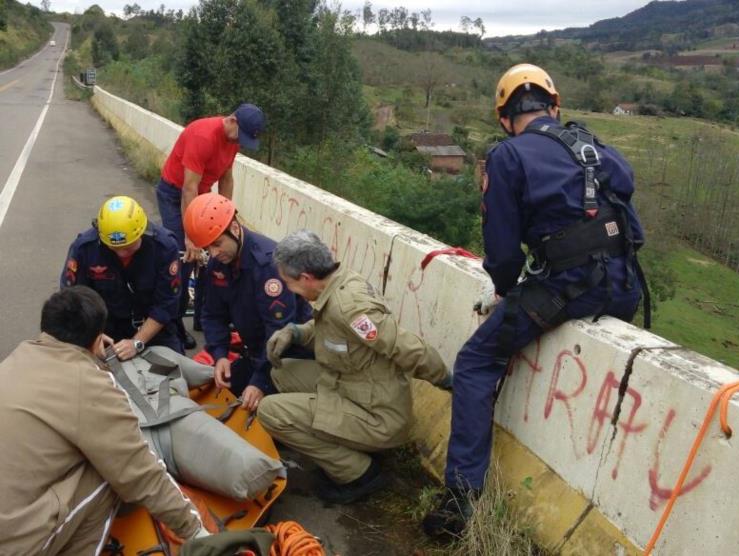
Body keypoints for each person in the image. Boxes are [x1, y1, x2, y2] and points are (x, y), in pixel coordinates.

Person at [422, 63, 648, 538]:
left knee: (476, 362)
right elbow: (625, 199)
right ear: (554, 105)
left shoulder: (508, 156)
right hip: (625, 283)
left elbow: (503, 252)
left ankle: (460, 500)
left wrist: (504, 288)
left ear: (504, 117)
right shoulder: (595, 148)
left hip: (567, 285)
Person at [0, 286, 208, 555]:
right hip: (14, 543)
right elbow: (138, 470)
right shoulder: (88, 383)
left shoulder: (17, 357)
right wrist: (194, 530)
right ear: (98, 339)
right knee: (109, 471)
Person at [261, 230, 451, 504]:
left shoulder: (349, 306)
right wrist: (296, 333)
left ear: (305, 278)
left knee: (270, 412)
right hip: (352, 387)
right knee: (281, 372)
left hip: (378, 415)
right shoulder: (336, 285)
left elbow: (405, 346)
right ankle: (345, 444)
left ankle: (359, 473)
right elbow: (332, 331)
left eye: (288, 282)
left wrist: (447, 380)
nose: (289, 289)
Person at [182, 193, 312, 412]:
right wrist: (220, 354)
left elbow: (278, 332)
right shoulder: (218, 264)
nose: (213, 253)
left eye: (217, 244)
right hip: (256, 352)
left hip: (288, 355)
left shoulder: (269, 265)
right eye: (207, 248)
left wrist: (260, 381)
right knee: (219, 393)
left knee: (264, 412)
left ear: (234, 228)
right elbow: (212, 315)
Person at [156, 103, 267, 349]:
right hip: (175, 195)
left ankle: (203, 319)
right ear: (232, 121)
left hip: (201, 195)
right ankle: (174, 326)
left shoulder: (233, 141)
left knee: (212, 257)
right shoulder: (203, 135)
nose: (241, 143)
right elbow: (188, 189)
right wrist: (192, 237)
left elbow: (227, 177)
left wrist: (226, 218)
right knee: (185, 258)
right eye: (243, 136)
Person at [61, 195, 183, 360]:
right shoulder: (85, 249)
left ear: (141, 231)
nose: (121, 253)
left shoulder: (164, 247)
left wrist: (137, 342)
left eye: (128, 247)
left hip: (153, 327)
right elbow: (72, 300)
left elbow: (166, 304)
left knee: (176, 369)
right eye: (114, 248)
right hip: (104, 329)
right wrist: (92, 337)